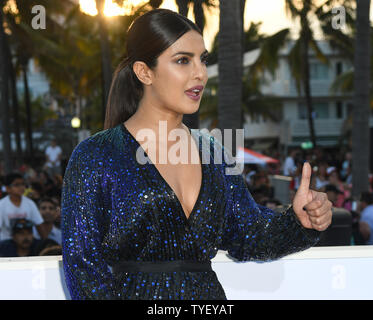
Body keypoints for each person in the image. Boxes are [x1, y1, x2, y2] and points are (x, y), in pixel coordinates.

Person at [61, 8, 332, 300]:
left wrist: (299, 221)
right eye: (182, 60)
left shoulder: (214, 151)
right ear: (144, 71)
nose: (200, 73)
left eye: (202, 59)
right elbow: (84, 268)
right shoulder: (95, 155)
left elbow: (249, 236)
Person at [0, 173, 48, 241]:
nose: (21, 187)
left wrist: (46, 243)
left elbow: (39, 226)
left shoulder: (30, 204)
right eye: (17, 185)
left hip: (27, 243)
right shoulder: (1, 205)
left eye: (23, 184)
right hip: (7, 243)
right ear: (8, 188)